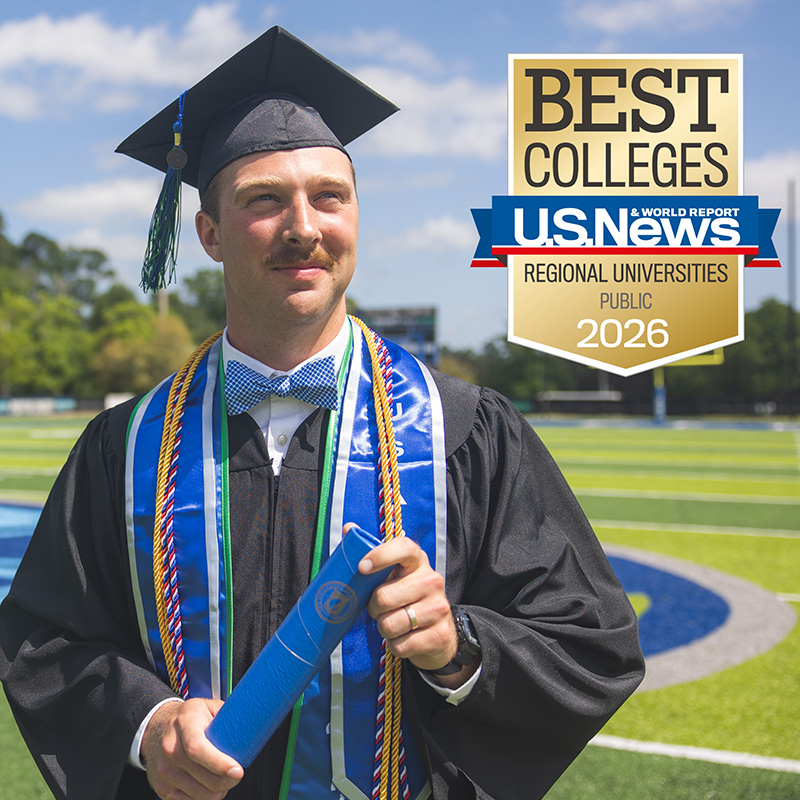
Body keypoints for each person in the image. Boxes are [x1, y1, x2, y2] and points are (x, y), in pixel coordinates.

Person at [0, 26, 644, 800]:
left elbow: (589, 642)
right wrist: (148, 723)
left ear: (356, 218)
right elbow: (43, 641)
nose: (303, 226)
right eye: (264, 200)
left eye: (329, 197)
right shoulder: (125, 448)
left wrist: (461, 648)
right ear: (209, 234)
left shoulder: (463, 431)